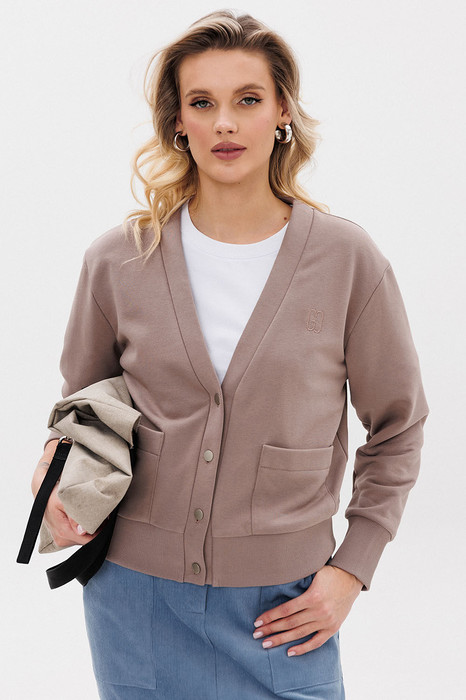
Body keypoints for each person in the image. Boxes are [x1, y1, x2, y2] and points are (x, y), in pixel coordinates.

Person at [31, 9, 429, 700]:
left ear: (281, 113)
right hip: (133, 603)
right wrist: (52, 465)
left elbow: (398, 426)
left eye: (247, 100)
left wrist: (351, 569)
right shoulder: (118, 260)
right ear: (177, 121)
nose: (224, 124)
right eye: (202, 103)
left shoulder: (346, 261)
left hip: (285, 610)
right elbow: (82, 412)